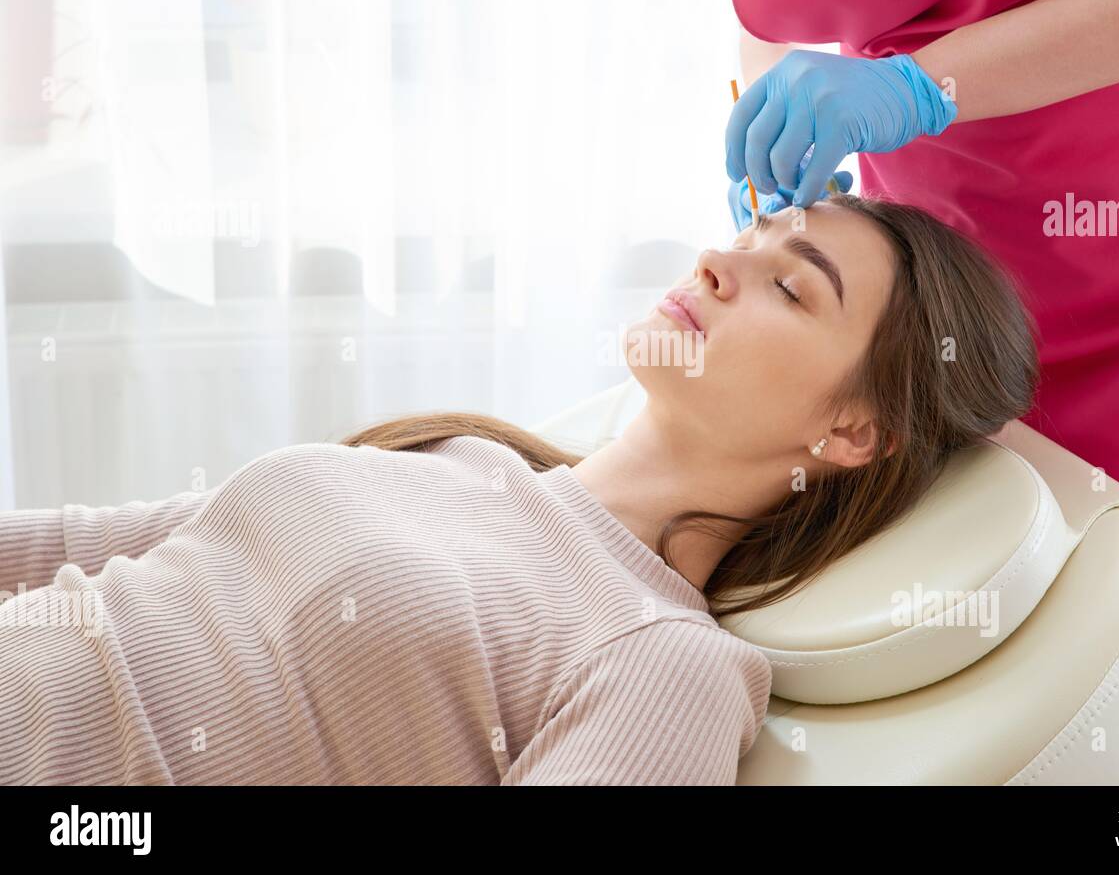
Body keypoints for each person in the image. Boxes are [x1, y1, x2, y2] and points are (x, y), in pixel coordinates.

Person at [0, 195, 1038, 784]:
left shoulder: (661, 661)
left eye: (789, 283)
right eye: (747, 237)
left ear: (852, 431)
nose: (718, 262)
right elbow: (70, 549)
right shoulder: (460, 454)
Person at [703, 0, 1119, 786]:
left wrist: (921, 86)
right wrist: (781, 114)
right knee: (960, 681)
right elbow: (774, 4)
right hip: (938, 269)